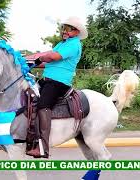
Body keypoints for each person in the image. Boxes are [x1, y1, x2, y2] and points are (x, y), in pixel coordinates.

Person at [26, 16, 88, 158]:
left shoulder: (74, 44)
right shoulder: (62, 44)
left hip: (59, 82)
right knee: (28, 99)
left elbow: (52, 57)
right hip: (47, 80)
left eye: (68, 29)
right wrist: (28, 63)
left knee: (43, 106)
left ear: (77, 32)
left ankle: (43, 147)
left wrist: (37, 57)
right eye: (63, 28)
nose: (64, 31)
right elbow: (46, 62)